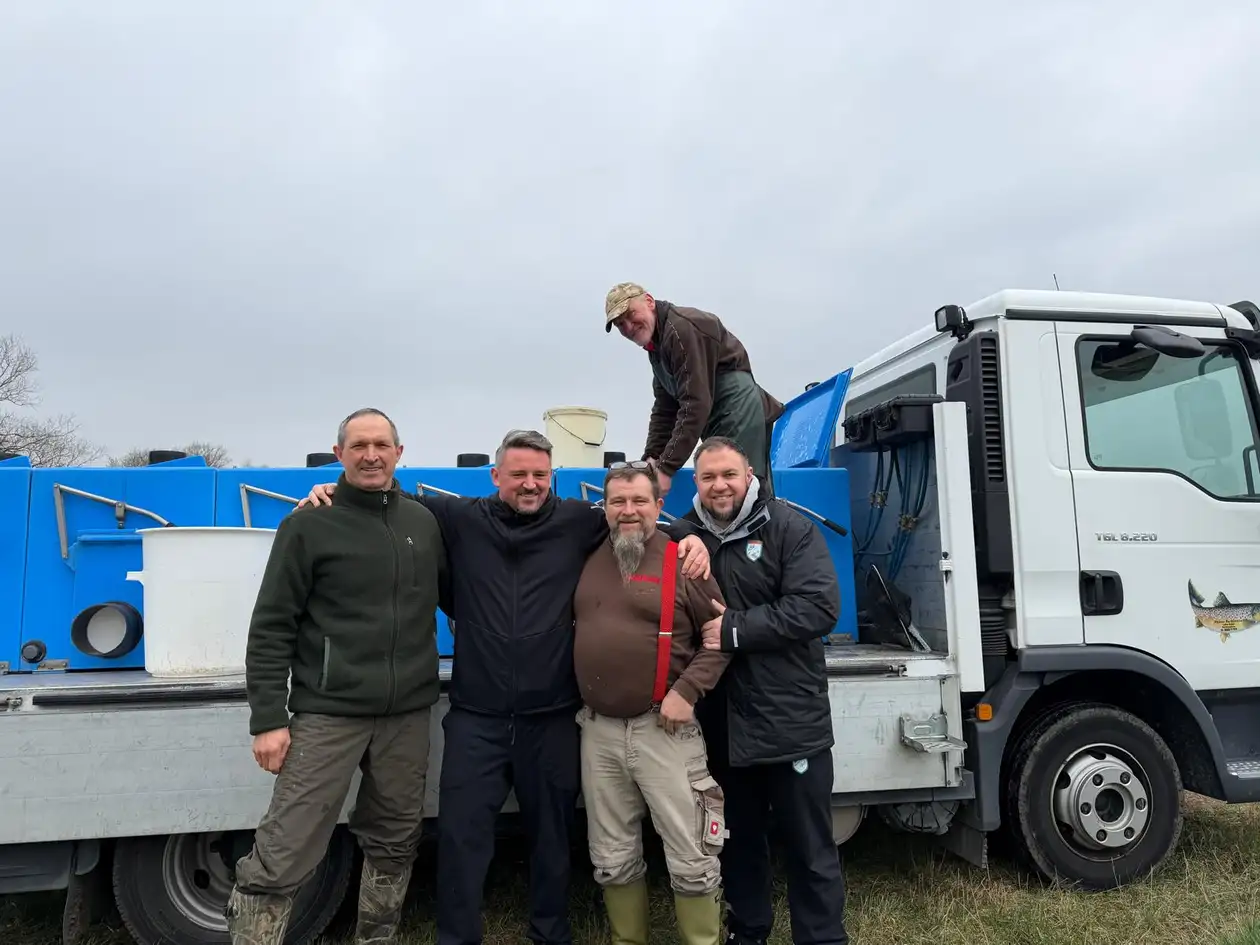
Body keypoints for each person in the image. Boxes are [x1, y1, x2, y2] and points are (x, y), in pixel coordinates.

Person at [298, 430, 712, 945]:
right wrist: (333, 491)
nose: (530, 484)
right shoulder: (461, 519)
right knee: (461, 839)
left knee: (553, 839)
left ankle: (550, 934)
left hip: (553, 717)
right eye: (518, 474)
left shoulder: (577, 522)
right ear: (496, 477)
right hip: (478, 718)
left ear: (553, 477)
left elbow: (636, 519)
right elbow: (390, 497)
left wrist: (690, 536)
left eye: (540, 474)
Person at [226, 407, 449, 945]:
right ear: (339, 455)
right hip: (328, 712)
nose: (371, 455)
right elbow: (272, 624)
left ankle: (377, 936)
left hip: (407, 714)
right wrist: (267, 718)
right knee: (287, 845)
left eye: (381, 444)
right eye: (358, 446)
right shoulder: (307, 524)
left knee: (395, 838)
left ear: (400, 452)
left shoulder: (423, 521)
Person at [685, 435, 850, 945]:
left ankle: (821, 937)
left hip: (789, 723)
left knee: (809, 846)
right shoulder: (686, 538)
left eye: (729, 475)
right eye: (708, 476)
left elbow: (820, 607)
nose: (720, 486)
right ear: (696, 482)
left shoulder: (788, 529)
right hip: (723, 725)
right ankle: (750, 930)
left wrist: (735, 628)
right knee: (736, 841)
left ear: (750, 474)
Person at [573, 461, 731, 945]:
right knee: (611, 855)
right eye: (617, 501)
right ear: (604, 507)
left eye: (639, 501)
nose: (628, 511)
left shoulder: (684, 559)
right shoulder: (583, 555)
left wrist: (687, 691)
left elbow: (721, 639)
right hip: (597, 731)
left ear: (658, 506)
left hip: (664, 730)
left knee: (692, 854)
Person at [603, 282, 784, 499]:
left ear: (649, 302)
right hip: (715, 416)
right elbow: (665, 407)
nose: (629, 327)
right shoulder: (657, 346)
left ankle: (763, 532)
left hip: (737, 411)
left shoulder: (681, 330)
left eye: (631, 315)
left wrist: (666, 468)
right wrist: (652, 457)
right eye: (620, 324)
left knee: (738, 491)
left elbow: (694, 404)